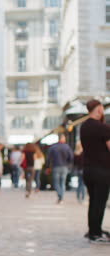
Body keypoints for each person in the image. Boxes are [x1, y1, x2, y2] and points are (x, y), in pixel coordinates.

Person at [80, 99, 110, 244]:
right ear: (98, 109)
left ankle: (93, 229)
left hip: (88, 170)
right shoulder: (103, 128)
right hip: (102, 170)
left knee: (93, 201)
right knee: (100, 202)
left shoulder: (83, 126)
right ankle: (95, 233)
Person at [46, 134, 74, 204]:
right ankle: (61, 197)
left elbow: (48, 158)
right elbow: (71, 158)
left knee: (56, 183)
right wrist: (69, 165)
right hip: (64, 167)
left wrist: (48, 167)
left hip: (56, 166)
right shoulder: (67, 147)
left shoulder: (53, 147)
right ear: (63, 139)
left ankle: (60, 196)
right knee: (62, 183)